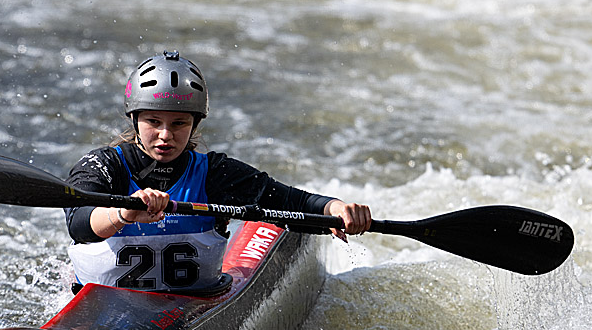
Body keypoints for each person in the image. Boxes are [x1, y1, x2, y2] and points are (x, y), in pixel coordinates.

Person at [65, 50, 371, 293]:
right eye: (153, 122)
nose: (165, 135)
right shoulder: (104, 166)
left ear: (195, 124)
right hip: (101, 317)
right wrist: (125, 213)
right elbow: (79, 224)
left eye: (179, 123)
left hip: (189, 311)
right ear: (135, 120)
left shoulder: (214, 173)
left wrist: (336, 209)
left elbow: (291, 202)